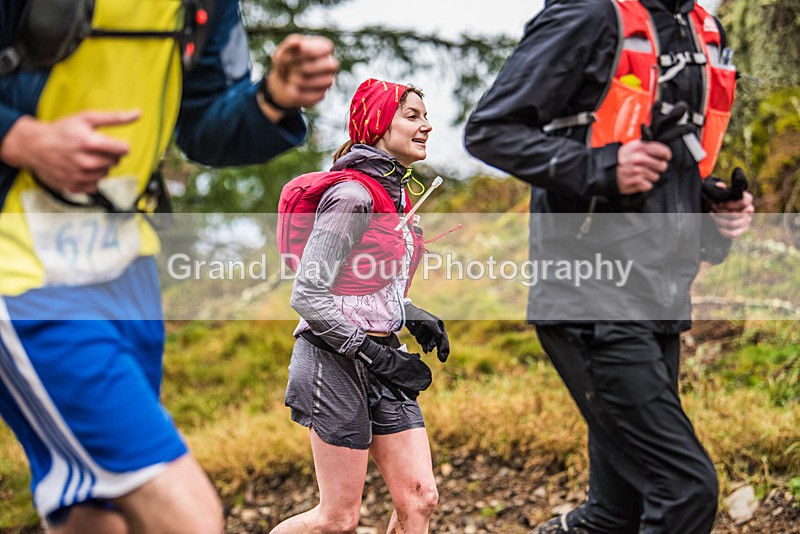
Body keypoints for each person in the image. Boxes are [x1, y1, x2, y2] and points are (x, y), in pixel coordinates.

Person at [0, 1, 337, 532]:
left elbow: (203, 122)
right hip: (21, 265)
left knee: (98, 513)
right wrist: (21, 138)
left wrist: (270, 100)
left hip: (126, 262)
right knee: (187, 515)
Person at [465, 0, 754, 532]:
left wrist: (713, 215)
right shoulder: (588, 16)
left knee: (616, 513)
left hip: (659, 301)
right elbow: (488, 130)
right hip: (592, 300)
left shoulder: (693, 29)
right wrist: (602, 167)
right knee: (685, 488)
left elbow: (662, 171)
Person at [270, 78, 449, 534]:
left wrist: (408, 312)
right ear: (375, 125)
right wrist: (372, 352)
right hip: (332, 360)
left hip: (382, 357)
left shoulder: (396, 193)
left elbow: (366, 278)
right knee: (337, 519)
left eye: (425, 116)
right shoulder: (352, 197)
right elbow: (308, 295)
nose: (426, 126)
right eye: (412, 116)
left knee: (420, 499)